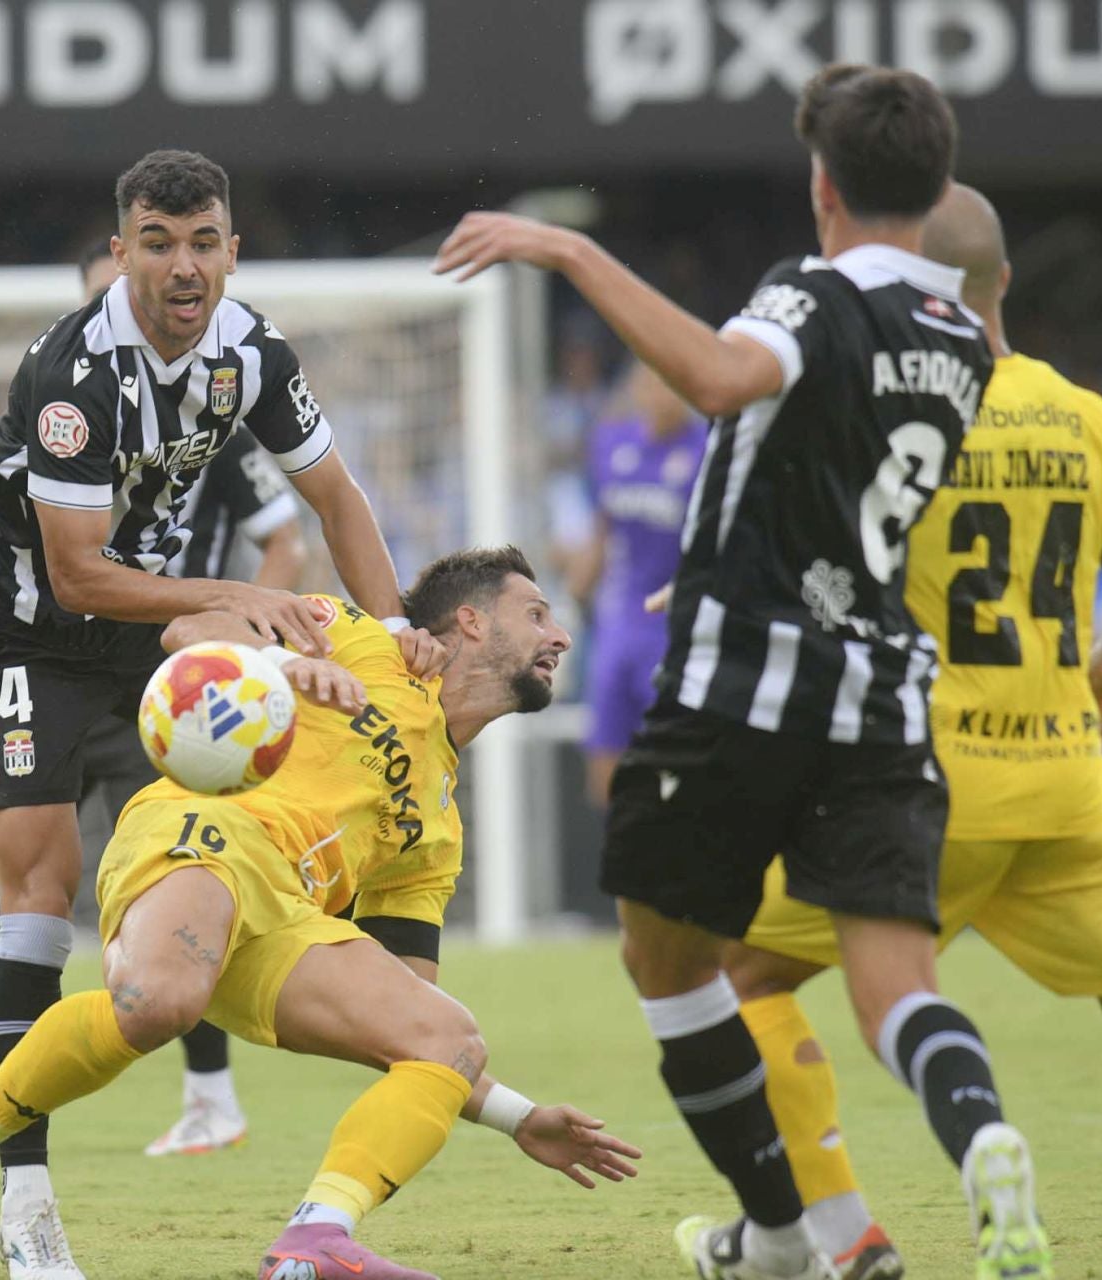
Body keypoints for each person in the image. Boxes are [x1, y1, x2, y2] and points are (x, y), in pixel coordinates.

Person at [437, 64, 1049, 1280]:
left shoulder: (810, 297)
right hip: (879, 704)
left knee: (668, 962)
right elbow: (832, 481)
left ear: (822, 187)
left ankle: (780, 1230)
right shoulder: (962, 346)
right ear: (929, 192)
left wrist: (568, 253)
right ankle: (982, 1134)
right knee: (897, 994)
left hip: (744, 695)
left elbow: (721, 382)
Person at [0, 150, 440, 1279]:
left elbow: (337, 495)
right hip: (27, 637)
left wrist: (399, 630)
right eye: (157, 243)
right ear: (120, 253)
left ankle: (231, 1068)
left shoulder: (251, 349)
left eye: (203, 241)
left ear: (232, 248)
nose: (183, 266)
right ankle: (24, 1200)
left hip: (152, 632)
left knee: (213, 831)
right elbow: (75, 576)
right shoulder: (76, 375)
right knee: (37, 887)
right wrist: (231, 596)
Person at [0, 548, 641, 1280]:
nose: (561, 634)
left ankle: (316, 1236)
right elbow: (188, 632)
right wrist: (284, 663)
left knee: (449, 1040)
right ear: (472, 623)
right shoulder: (362, 640)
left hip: (284, 922)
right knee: (159, 1002)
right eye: (537, 613)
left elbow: (408, 1021)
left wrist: (517, 1117)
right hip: (201, 833)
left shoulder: (437, 832)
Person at [724, 184, 1102, 1280]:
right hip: (1066, 784)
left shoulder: (893, 409)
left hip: (914, 787)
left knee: (734, 975)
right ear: (1007, 280)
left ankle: (827, 1233)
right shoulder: (1082, 411)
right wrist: (1099, 683)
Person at [0, 244, 309, 1161]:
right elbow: (37, 519)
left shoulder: (212, 413)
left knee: (175, 885)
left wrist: (232, 629)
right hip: (39, 658)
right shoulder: (74, 387)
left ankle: (208, 1093)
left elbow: (286, 537)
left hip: (154, 676)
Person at [568, 363, 708, 807]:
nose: (656, 393)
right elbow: (602, 526)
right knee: (605, 760)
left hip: (676, 630)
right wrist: (578, 584)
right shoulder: (612, 445)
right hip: (619, 626)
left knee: (678, 760)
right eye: (647, 381)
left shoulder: (708, 452)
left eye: (667, 381)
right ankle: (618, 858)